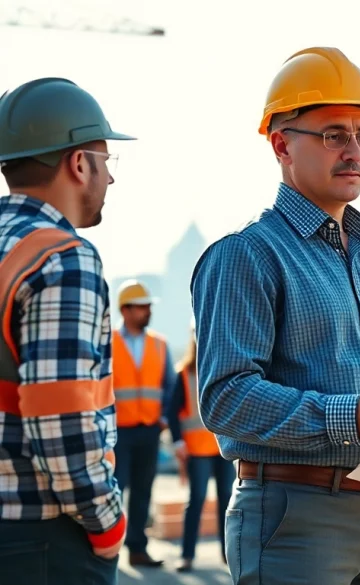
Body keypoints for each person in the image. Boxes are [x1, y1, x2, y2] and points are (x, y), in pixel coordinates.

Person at [191, 46, 360, 585]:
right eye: (334, 134)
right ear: (281, 144)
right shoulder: (248, 255)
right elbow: (224, 397)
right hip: (296, 518)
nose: (353, 150)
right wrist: (353, 415)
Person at [0, 77, 133, 583]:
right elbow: (61, 426)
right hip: (40, 542)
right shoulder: (62, 259)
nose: (110, 180)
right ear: (79, 163)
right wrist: (107, 525)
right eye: (105, 162)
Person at [111, 278, 177, 567]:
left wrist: (163, 419)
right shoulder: (106, 342)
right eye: (141, 307)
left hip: (149, 431)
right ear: (125, 310)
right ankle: (108, 551)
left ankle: (137, 549)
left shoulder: (160, 345)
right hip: (117, 433)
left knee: (142, 492)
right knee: (115, 489)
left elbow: (170, 388)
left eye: (148, 307)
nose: (147, 311)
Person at [165, 320, 235, 572]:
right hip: (197, 451)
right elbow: (172, 413)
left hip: (222, 449)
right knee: (196, 500)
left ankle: (229, 557)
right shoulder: (184, 373)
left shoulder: (223, 369)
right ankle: (187, 555)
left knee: (227, 501)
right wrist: (178, 442)